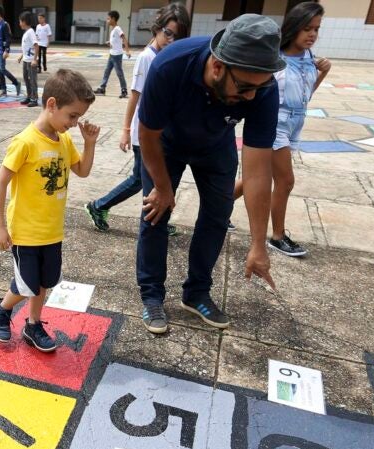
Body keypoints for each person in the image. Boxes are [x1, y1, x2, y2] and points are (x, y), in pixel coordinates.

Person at [135, 14, 281, 334]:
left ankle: (197, 292)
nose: (251, 98)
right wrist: (163, 188)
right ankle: (152, 296)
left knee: (217, 215)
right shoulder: (170, 65)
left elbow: (258, 172)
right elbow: (146, 135)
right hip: (166, 145)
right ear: (217, 67)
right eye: (244, 89)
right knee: (155, 213)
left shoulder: (262, 87)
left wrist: (259, 243)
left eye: (259, 88)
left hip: (216, 145)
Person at [0, 69, 99, 352]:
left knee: (43, 283)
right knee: (27, 284)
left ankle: (33, 324)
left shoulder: (63, 140)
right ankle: (2, 310)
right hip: (25, 231)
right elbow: (0, 183)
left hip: (52, 230)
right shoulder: (25, 141)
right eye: (72, 116)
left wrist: (89, 144)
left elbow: (82, 171)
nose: (75, 123)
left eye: (78, 117)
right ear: (52, 105)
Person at [229, 2, 328, 259]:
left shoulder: (309, 58)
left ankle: (218, 207)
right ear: (294, 27)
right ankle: (277, 236)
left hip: (296, 122)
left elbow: (305, 96)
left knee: (258, 178)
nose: (312, 34)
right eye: (307, 28)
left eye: (316, 29)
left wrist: (321, 75)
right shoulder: (275, 59)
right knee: (285, 181)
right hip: (276, 122)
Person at [85, 3, 189, 236]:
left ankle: (106, 207)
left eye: (178, 36)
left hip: (159, 132)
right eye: (168, 33)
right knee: (147, 181)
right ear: (158, 28)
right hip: (144, 133)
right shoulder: (147, 58)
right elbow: (134, 96)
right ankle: (101, 206)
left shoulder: (165, 55)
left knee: (144, 180)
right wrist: (125, 130)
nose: (171, 40)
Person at [94, 10, 128, 97]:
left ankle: (124, 90)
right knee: (107, 71)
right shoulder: (113, 30)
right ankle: (102, 89)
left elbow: (124, 38)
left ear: (113, 19)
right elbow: (117, 41)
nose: (107, 20)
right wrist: (110, 43)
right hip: (112, 54)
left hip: (117, 55)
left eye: (108, 19)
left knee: (119, 73)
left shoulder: (117, 29)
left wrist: (127, 50)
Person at [18, 11, 38, 107]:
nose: (19, 24)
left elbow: (36, 46)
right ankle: (29, 96)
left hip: (31, 61)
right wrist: (21, 56)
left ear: (24, 21)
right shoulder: (26, 32)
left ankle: (34, 98)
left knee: (32, 80)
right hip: (26, 60)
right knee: (26, 79)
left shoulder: (31, 32)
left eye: (20, 21)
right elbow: (26, 47)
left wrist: (34, 59)